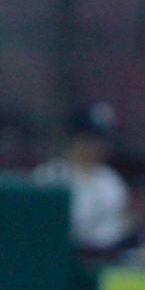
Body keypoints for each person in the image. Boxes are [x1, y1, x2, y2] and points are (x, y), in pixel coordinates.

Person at [31, 103, 133, 256]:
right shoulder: (50, 176)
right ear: (76, 139)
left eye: (102, 140)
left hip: (108, 256)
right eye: (90, 140)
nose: (99, 146)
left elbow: (121, 227)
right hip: (62, 258)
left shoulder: (111, 180)